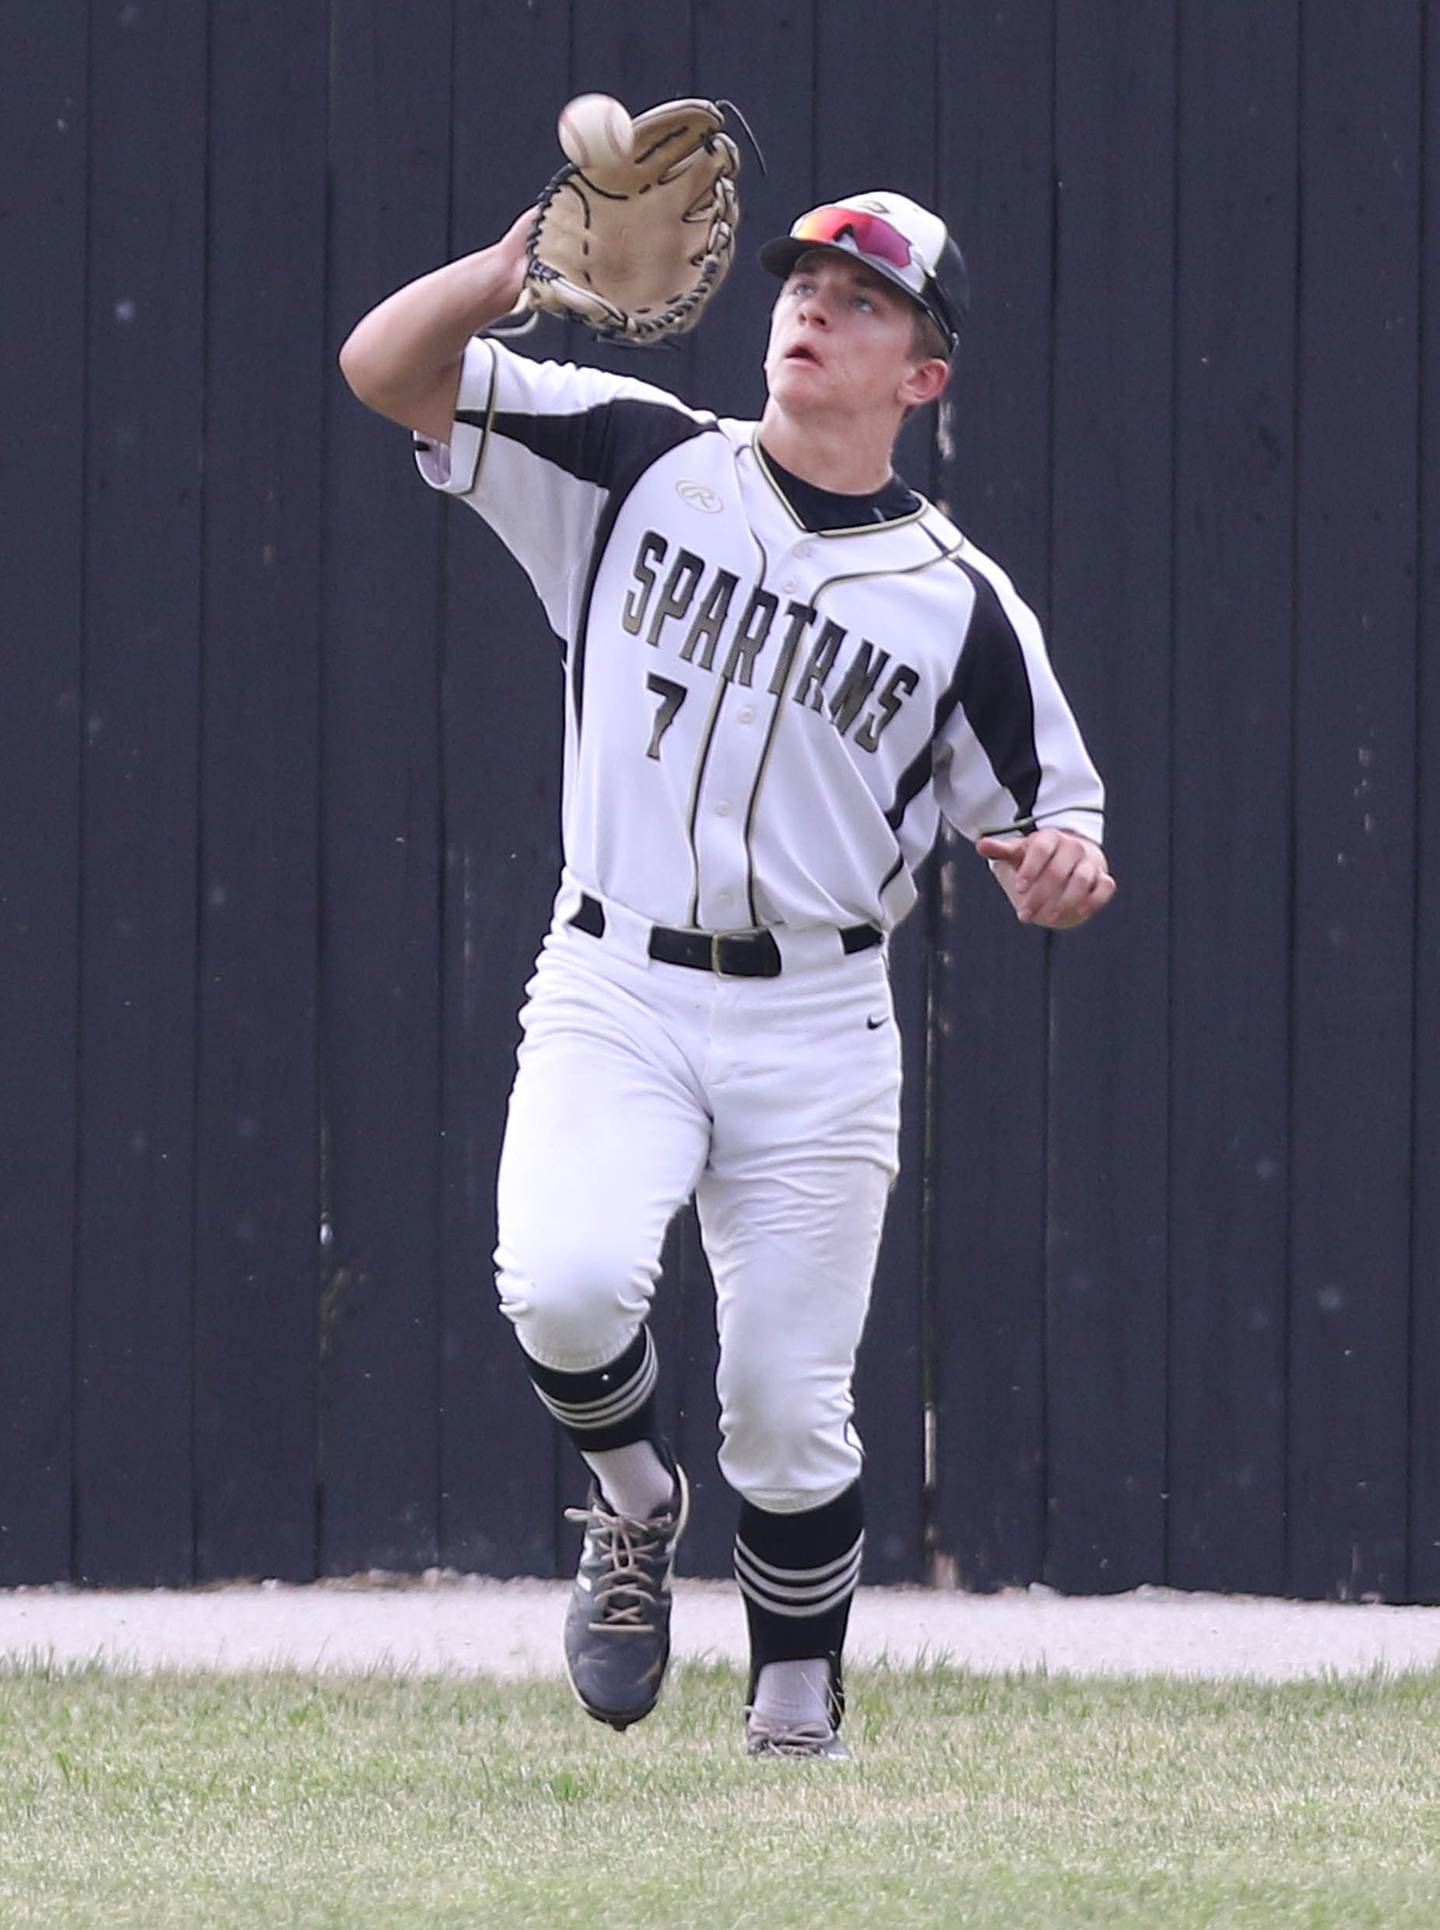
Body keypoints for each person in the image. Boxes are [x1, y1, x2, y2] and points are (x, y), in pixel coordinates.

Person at [339, 188, 1115, 1760]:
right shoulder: (637, 456)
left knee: (784, 1407)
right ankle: (632, 1502)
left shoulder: (964, 608)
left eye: (864, 301)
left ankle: (794, 1710)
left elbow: (1060, 833)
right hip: (616, 973)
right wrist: (493, 286)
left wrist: (1061, 873)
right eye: (805, 285)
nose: (814, 311)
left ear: (924, 377)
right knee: (559, 1284)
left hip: (819, 1016)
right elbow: (382, 371)